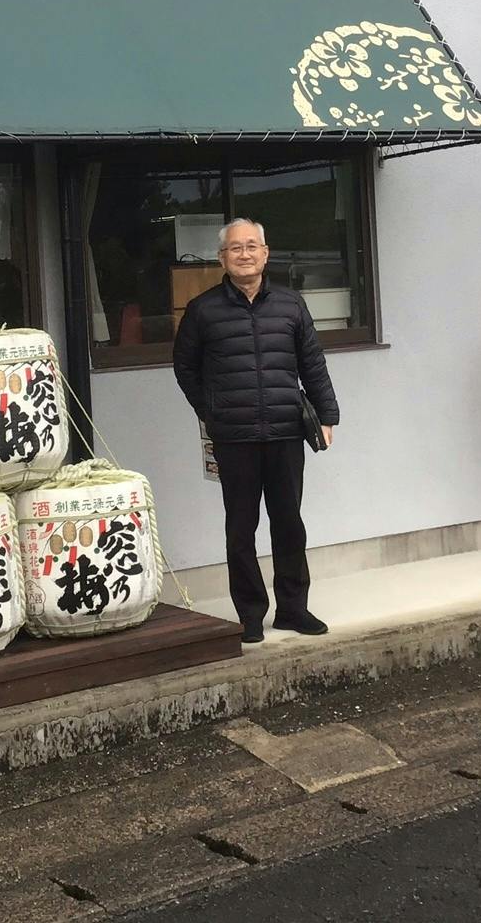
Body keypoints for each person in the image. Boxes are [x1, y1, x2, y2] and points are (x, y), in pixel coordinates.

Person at [173, 217, 339, 643]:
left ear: (265, 254)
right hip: (234, 436)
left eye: (252, 246)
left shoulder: (290, 304)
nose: (244, 254)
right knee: (240, 527)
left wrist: (327, 415)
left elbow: (313, 362)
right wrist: (210, 411)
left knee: (289, 524)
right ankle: (249, 613)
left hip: (285, 430)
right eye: (235, 248)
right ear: (221, 258)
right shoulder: (203, 310)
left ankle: (293, 609)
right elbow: (185, 367)